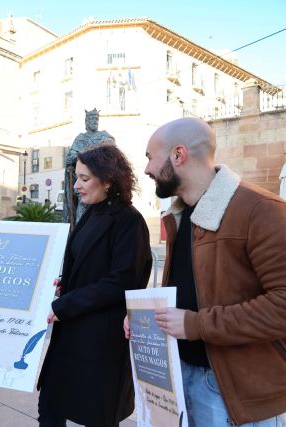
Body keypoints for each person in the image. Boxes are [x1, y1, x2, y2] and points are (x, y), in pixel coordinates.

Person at [125, 117, 286, 426]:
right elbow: (190, 291)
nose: (146, 169)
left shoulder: (262, 210)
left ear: (178, 155)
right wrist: (146, 319)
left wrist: (197, 325)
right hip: (180, 375)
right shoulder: (179, 215)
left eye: (149, 157)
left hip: (234, 391)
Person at [38, 143, 152, 427]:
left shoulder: (129, 220)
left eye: (84, 179)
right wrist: (67, 281)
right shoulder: (92, 211)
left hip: (100, 340)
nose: (76, 185)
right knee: (50, 408)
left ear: (109, 180)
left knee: (97, 414)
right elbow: (89, 264)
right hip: (71, 334)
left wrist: (65, 305)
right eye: (76, 177)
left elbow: (122, 280)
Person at [63, 108, 115, 225]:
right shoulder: (80, 138)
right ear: (86, 121)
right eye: (91, 118)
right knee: (80, 221)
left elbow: (110, 149)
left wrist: (83, 153)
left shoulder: (104, 136)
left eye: (96, 118)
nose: (94, 121)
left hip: (100, 187)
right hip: (83, 190)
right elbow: (70, 158)